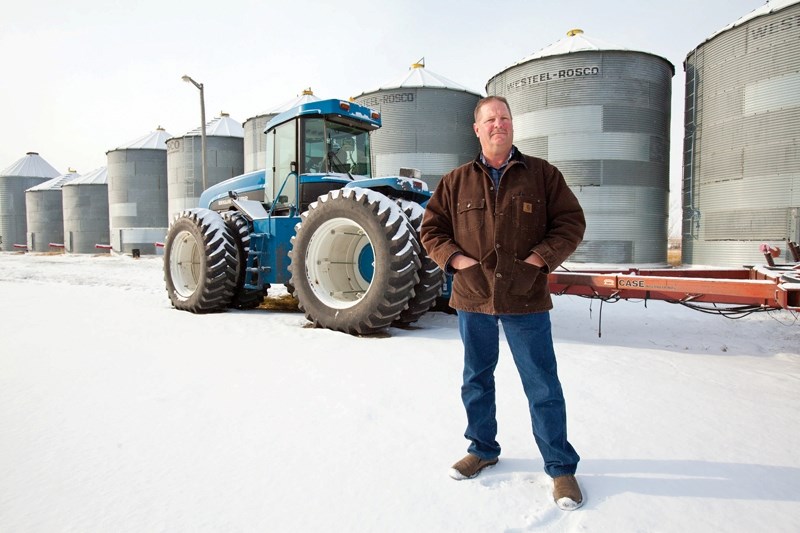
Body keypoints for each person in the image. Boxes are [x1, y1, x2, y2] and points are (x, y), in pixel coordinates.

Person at [419, 96, 586, 511]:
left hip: (525, 296)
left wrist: (539, 259)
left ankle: (560, 468)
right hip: (473, 296)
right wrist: (456, 260)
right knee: (476, 378)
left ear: (513, 126)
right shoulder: (456, 180)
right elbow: (432, 229)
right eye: (490, 119)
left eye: (505, 118)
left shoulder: (542, 175)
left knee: (542, 385)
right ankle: (482, 448)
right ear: (477, 129)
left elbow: (571, 222)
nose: (499, 125)